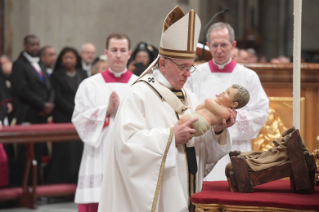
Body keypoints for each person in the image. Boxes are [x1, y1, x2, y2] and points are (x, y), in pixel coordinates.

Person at [98, 6, 235, 212]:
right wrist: (171, 137)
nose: (188, 74)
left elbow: (203, 150)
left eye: (190, 67)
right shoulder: (139, 94)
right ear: (163, 64)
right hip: (161, 196)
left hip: (189, 188)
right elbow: (126, 145)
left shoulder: (189, 96)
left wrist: (217, 130)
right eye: (182, 67)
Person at [185, 22, 269, 181]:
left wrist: (229, 119)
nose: (218, 50)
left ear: (234, 45)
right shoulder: (195, 74)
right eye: (214, 45)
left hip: (236, 148)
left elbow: (260, 112)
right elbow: (187, 107)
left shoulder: (248, 76)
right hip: (203, 144)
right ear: (208, 45)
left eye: (224, 45)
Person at [72, 33, 138, 212]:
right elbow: (78, 118)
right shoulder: (89, 85)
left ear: (129, 53)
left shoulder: (140, 85)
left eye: (122, 50)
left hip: (127, 152)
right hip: (98, 151)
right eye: (114, 50)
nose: (118, 55)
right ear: (106, 53)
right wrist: (106, 111)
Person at [9, 35, 54, 185]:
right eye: (32, 44)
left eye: (37, 44)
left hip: (42, 114)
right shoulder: (18, 65)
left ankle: (38, 187)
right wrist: (42, 105)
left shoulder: (40, 63)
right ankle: (23, 187)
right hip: (28, 112)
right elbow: (22, 90)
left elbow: (48, 85)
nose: (35, 47)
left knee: (39, 152)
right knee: (26, 153)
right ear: (25, 45)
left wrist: (49, 104)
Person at [46, 47, 87, 184]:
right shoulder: (56, 75)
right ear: (61, 60)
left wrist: (81, 111)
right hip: (63, 116)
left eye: (71, 58)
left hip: (81, 117)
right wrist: (74, 111)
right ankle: (59, 183)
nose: (68, 60)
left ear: (76, 60)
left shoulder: (83, 74)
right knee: (63, 151)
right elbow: (57, 97)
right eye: (65, 58)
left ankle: (76, 182)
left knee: (78, 150)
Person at [180, 84, 249, 137]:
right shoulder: (217, 106)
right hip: (196, 118)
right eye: (226, 90)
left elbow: (207, 101)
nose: (223, 92)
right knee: (181, 123)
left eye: (228, 93)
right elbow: (198, 108)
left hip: (201, 123)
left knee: (181, 121)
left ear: (234, 104)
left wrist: (215, 100)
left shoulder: (226, 112)